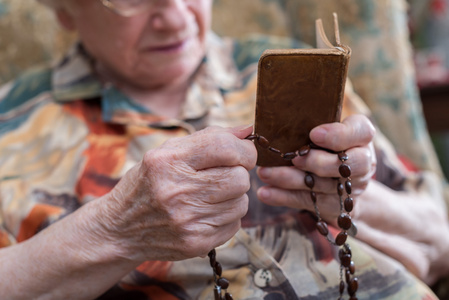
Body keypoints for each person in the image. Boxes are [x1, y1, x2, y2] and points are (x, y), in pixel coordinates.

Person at [0, 0, 448, 299]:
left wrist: (350, 201)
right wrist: (115, 231)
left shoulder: (300, 72)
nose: (176, 18)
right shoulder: (11, 122)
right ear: (63, 10)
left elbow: (439, 240)